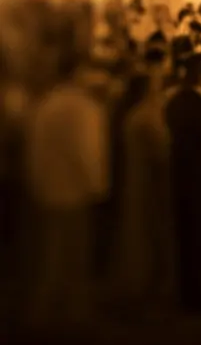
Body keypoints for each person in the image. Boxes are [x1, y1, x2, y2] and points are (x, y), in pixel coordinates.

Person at [25, 50, 111, 326]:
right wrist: (98, 185)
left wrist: (37, 182)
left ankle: (46, 310)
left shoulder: (46, 104)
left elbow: (34, 149)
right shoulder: (82, 107)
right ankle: (73, 314)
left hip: (49, 188)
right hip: (75, 190)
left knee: (52, 253)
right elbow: (87, 151)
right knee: (75, 256)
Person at [165, 51, 201, 312]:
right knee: (197, 239)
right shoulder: (200, 105)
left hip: (181, 177)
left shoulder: (174, 103)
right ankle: (194, 292)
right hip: (198, 178)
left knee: (185, 239)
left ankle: (186, 289)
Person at [113, 48, 172, 308]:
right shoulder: (146, 116)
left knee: (137, 234)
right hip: (149, 181)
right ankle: (144, 290)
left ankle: (140, 286)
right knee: (147, 235)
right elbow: (161, 150)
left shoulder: (133, 115)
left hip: (136, 181)